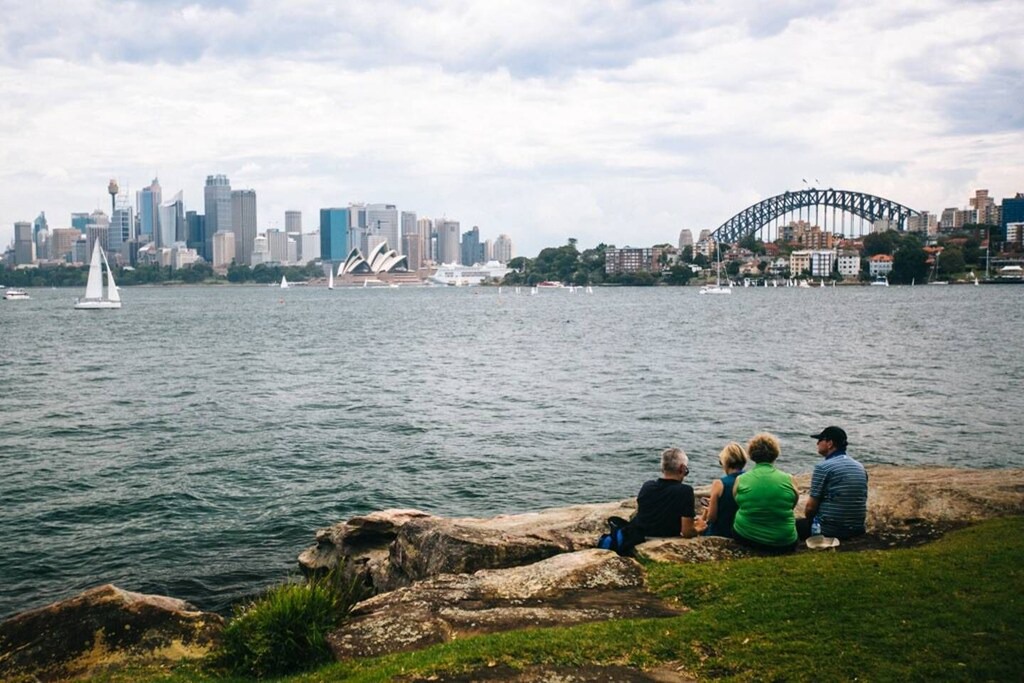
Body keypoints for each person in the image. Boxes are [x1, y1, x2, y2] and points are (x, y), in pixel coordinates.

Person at [731, 432, 799, 553]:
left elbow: (738, 503)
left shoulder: (741, 479)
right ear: (775, 454)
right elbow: (792, 505)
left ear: (751, 454)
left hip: (747, 536)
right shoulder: (789, 479)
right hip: (784, 542)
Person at [798, 426, 868, 540]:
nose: (817, 443)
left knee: (794, 526)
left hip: (829, 530)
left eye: (820, 440)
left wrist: (810, 520)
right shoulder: (860, 467)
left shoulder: (823, 467)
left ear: (830, 443)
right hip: (857, 529)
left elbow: (810, 508)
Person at [635, 447, 707, 538]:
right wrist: (699, 528)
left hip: (643, 535)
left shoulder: (647, 486)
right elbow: (687, 532)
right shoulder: (685, 491)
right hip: (666, 537)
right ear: (682, 468)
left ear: (663, 468)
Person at [701, 442, 747, 538]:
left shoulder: (719, 484)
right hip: (743, 532)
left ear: (725, 462)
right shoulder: (751, 480)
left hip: (722, 532)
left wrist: (708, 509)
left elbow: (712, 518)